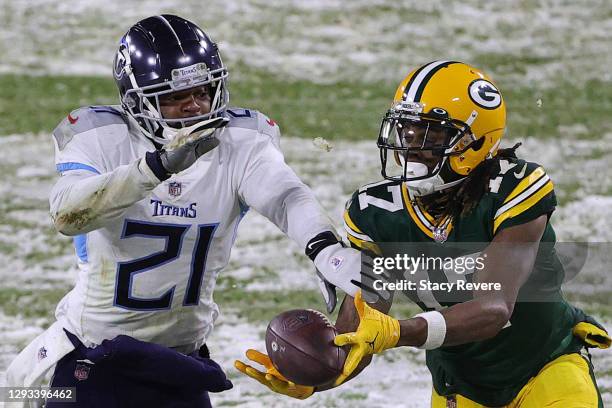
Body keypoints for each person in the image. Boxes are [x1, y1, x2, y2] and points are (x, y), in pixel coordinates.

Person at [5, 14, 362, 407]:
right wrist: (154, 168)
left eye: (203, 90)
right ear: (138, 101)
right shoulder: (102, 137)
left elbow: (286, 196)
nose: (194, 105)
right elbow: (66, 213)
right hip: (90, 358)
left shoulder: (240, 141)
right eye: (174, 97)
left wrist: (324, 246)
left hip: (179, 362)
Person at [236, 61, 610, 407]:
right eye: (406, 129)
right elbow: (362, 331)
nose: (410, 143)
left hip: (545, 367)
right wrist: (320, 372)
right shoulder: (375, 214)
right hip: (461, 385)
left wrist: (398, 331)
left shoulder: (514, 188)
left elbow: (493, 309)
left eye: (429, 133)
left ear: (475, 141)